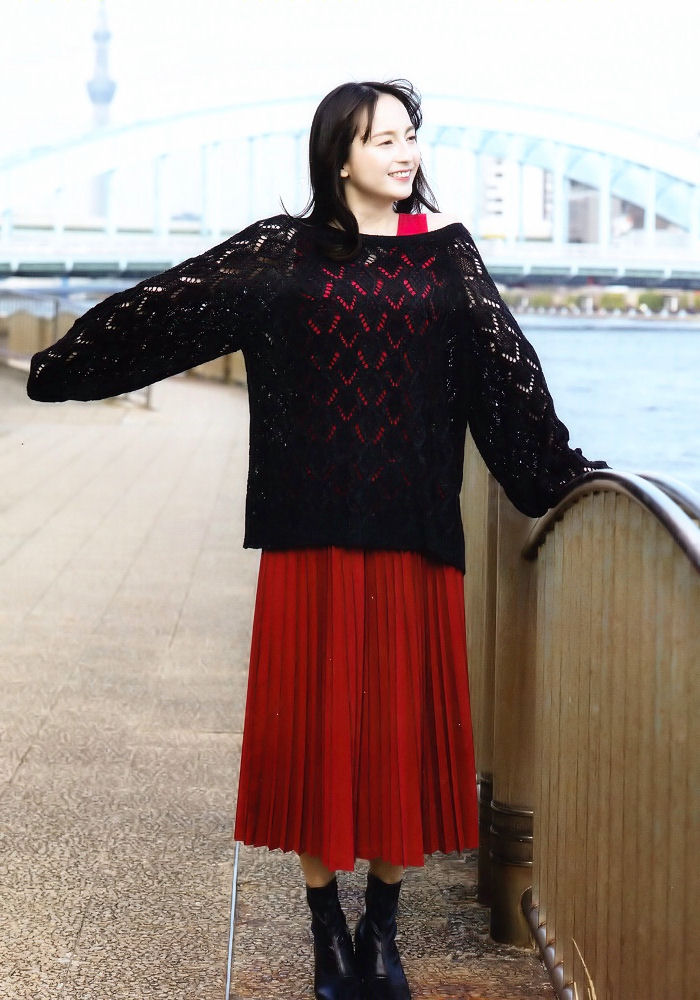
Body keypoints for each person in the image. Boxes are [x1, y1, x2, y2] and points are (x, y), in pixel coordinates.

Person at [27, 79, 608, 1000]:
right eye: (384, 140)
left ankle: (382, 930)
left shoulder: (448, 255)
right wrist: (64, 366)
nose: (405, 154)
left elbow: (509, 380)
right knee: (316, 736)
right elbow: (167, 311)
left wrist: (561, 474)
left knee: (399, 741)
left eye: (410, 137)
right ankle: (326, 931)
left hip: (414, 533)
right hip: (309, 537)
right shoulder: (280, 255)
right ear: (339, 156)